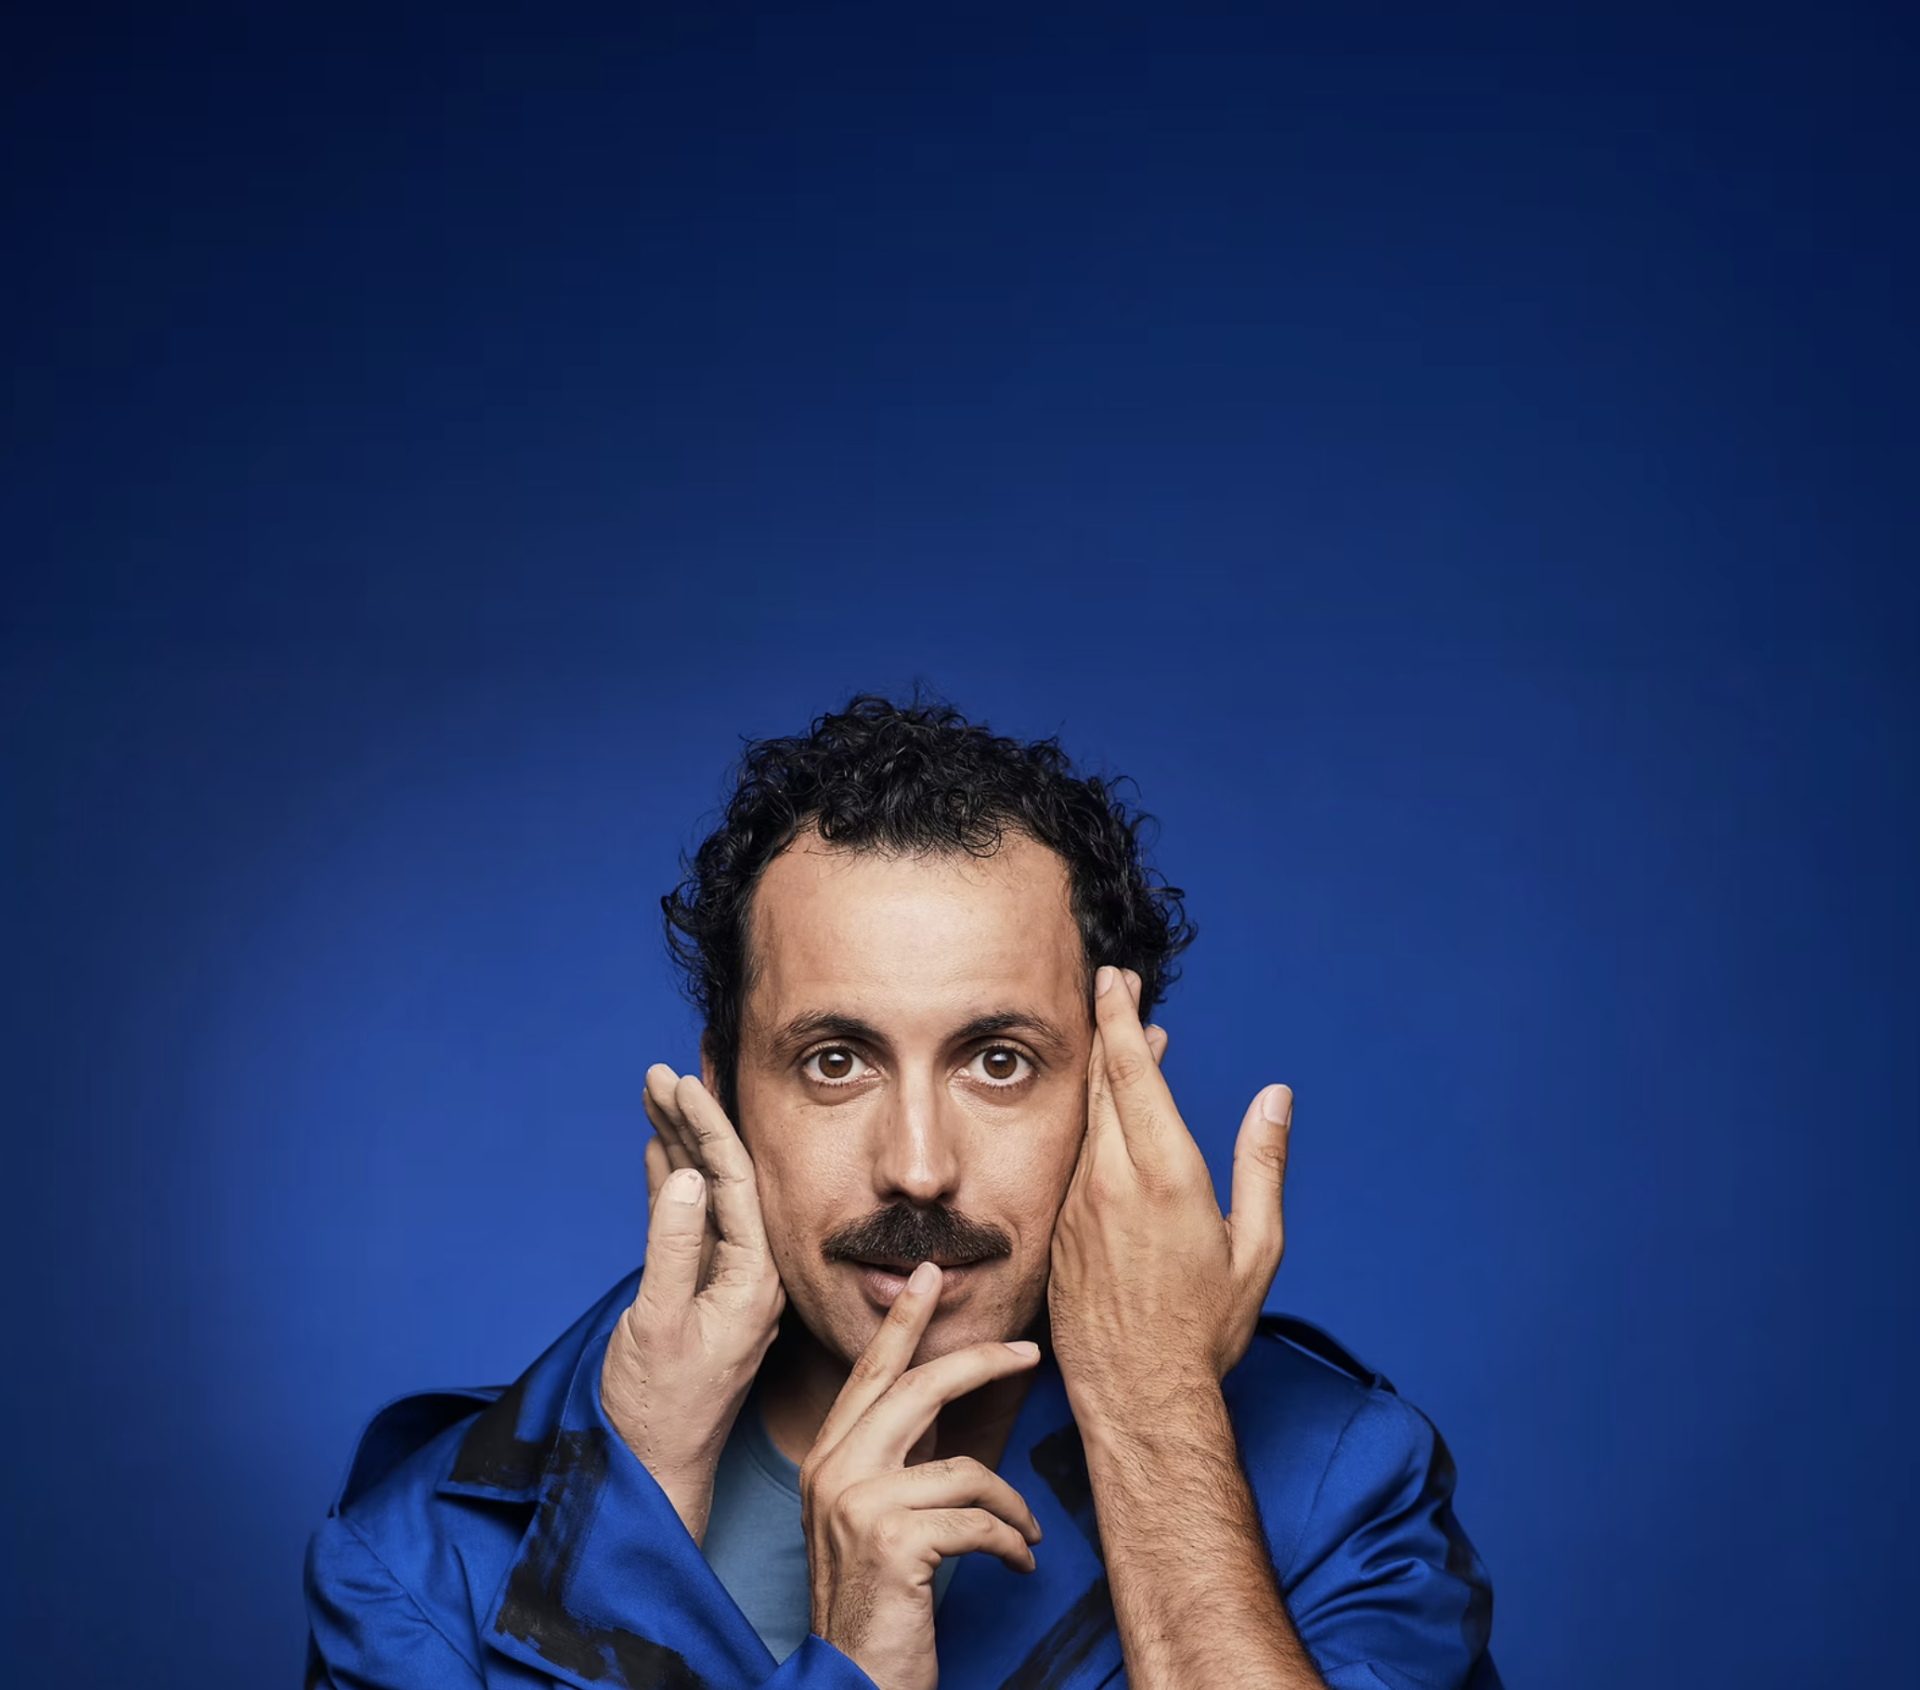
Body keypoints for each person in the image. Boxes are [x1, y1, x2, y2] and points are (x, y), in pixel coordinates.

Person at [305, 696, 1499, 1690]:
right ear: (722, 1095)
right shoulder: (419, 1569)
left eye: (999, 1061)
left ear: (1116, 1091)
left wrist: (1152, 1422)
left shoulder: (1339, 1485)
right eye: (836, 1061)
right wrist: (658, 1517)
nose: (919, 1166)